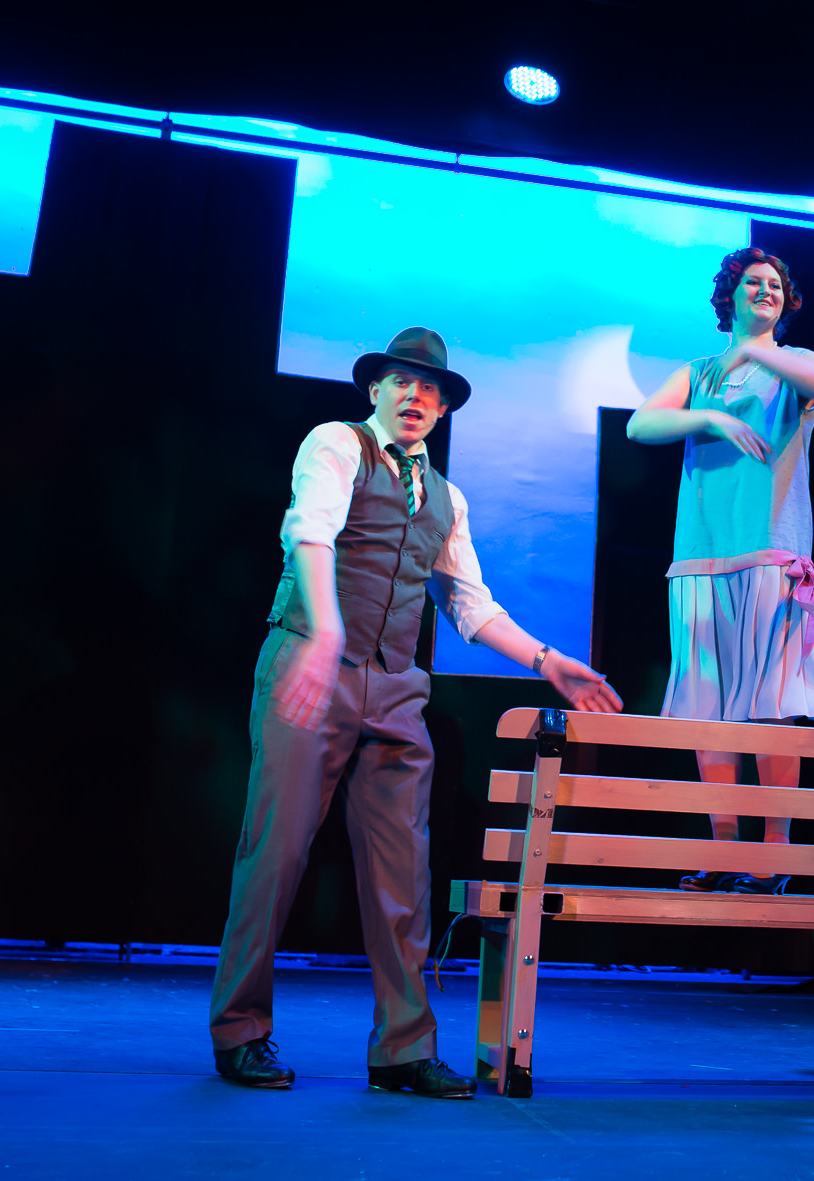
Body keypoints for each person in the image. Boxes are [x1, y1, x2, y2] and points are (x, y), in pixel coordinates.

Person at [209, 326, 621, 1095]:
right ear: (376, 389)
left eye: (430, 388)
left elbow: (469, 604)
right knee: (276, 853)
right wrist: (325, 631)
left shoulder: (446, 497)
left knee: (403, 871)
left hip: (396, 686)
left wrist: (546, 660)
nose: (416, 395)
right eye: (403, 381)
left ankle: (402, 1046)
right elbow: (310, 533)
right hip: (311, 666)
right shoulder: (337, 443)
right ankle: (240, 1029)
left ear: (442, 408)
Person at [626, 247, 814, 894]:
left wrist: (757, 351)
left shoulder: (795, 363)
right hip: (700, 557)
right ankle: (722, 849)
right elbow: (640, 424)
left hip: (769, 552)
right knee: (710, 708)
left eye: (775, 284)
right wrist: (711, 415)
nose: (765, 290)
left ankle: (773, 857)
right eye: (753, 282)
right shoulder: (699, 372)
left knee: (772, 707)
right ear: (731, 294)